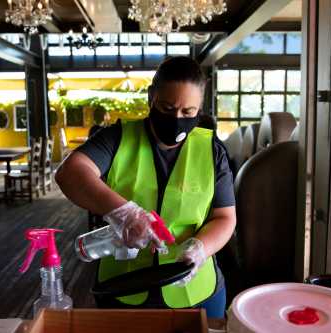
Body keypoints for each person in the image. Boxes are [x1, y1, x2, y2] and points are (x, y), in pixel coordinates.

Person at [55, 56, 236, 318]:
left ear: (200, 108)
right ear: (151, 97)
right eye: (167, 107)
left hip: (195, 291)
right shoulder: (117, 137)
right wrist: (125, 213)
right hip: (125, 286)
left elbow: (225, 217)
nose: (177, 119)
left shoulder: (211, 150)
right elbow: (70, 173)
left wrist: (201, 249)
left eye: (188, 112)